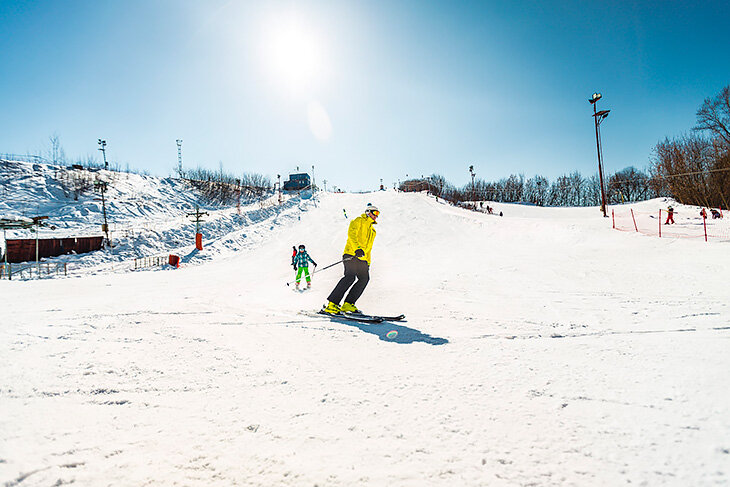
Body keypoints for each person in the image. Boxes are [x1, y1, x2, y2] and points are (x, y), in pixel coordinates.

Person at [323, 203, 379, 314]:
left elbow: (369, 248)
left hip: (362, 259)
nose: (376, 216)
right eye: (375, 213)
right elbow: (352, 235)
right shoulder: (358, 221)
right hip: (351, 254)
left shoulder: (373, 231)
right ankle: (332, 304)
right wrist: (357, 249)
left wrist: (368, 261)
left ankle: (348, 304)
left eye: (378, 214)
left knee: (364, 279)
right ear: (368, 212)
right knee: (350, 277)